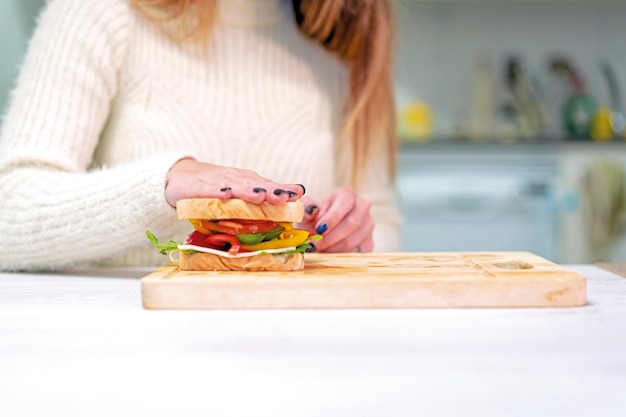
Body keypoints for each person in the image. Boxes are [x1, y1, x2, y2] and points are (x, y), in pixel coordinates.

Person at [0, 0, 402, 271]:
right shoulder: (99, 11)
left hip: (292, 351)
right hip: (127, 351)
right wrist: (164, 185)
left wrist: (350, 239)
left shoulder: (341, 46)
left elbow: (381, 226)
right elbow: (8, 210)